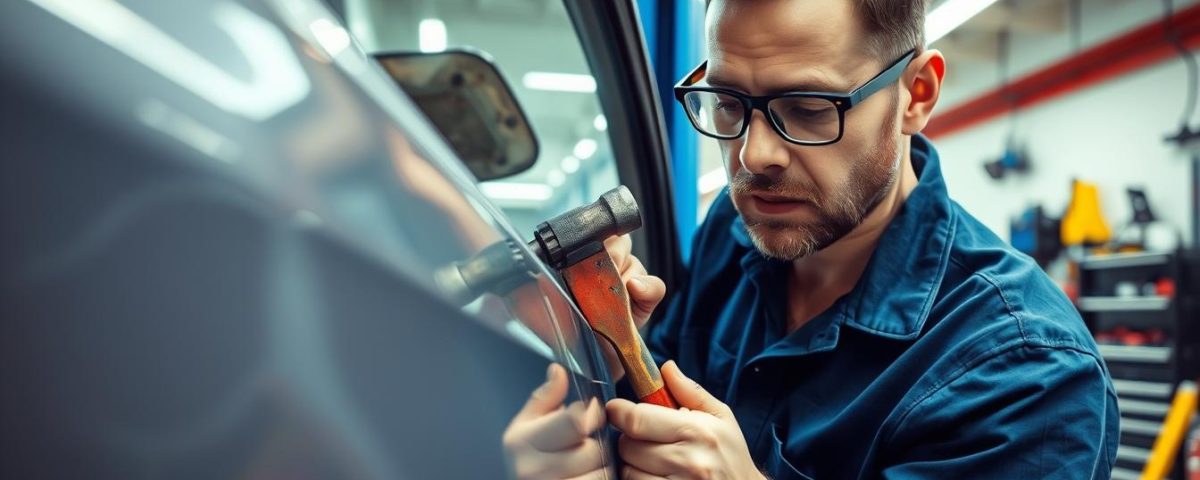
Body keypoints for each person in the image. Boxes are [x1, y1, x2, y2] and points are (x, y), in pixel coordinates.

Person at [503, 0, 1120, 478]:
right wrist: (605, 372)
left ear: (917, 94)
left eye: (808, 106)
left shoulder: (1027, 372)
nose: (754, 154)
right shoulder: (741, 226)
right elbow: (655, 419)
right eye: (726, 101)